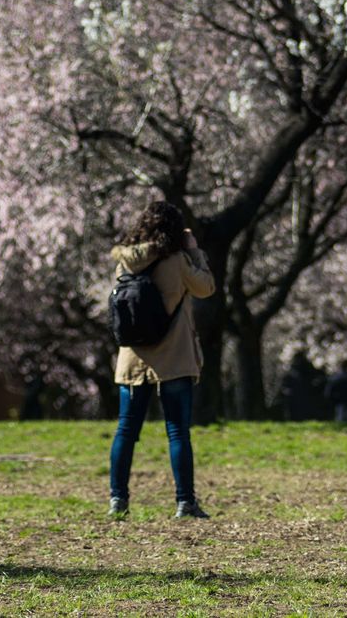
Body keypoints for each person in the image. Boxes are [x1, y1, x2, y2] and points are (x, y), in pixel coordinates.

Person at [108, 201, 217, 519]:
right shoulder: (179, 261)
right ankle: (185, 502)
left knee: (126, 430)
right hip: (173, 354)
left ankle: (118, 500)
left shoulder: (126, 262)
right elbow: (206, 288)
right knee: (178, 431)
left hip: (134, 356)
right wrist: (195, 252)